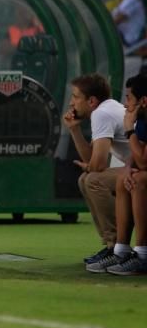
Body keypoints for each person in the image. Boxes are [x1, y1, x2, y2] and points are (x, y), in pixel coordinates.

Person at [63, 73, 131, 269]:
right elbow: (91, 160)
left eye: (76, 97)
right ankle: (113, 245)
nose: (71, 102)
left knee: (93, 179)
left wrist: (91, 166)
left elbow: (98, 165)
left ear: (91, 101)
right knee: (86, 178)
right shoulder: (105, 109)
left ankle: (118, 247)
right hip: (136, 169)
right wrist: (75, 130)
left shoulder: (102, 113)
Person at [88, 74, 147, 275]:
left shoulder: (132, 122)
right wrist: (129, 166)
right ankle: (120, 250)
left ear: (144, 101)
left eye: (129, 98)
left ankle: (143, 255)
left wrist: (129, 130)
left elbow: (145, 161)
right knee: (125, 177)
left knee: (139, 181)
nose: (125, 103)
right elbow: (138, 156)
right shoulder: (142, 120)